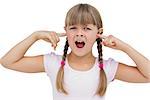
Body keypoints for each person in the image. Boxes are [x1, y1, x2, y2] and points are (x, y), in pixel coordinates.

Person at [0, 3, 150, 100]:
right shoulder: (53, 63)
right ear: (65, 32)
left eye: (87, 28)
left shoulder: (107, 67)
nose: (79, 33)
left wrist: (125, 47)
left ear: (99, 32)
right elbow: (8, 61)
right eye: (73, 28)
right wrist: (35, 36)